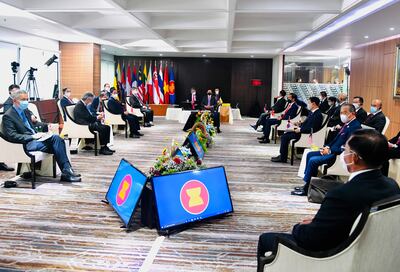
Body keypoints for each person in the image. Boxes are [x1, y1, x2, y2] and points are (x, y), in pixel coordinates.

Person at [258, 129, 400, 270]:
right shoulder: (392, 186)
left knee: (266, 239)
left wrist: (299, 227)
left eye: (345, 150)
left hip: (337, 257)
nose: (343, 153)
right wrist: (320, 222)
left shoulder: (341, 194)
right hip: (373, 252)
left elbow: (313, 239)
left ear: (354, 158)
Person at [1, 90, 81, 182]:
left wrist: (44, 127)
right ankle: (67, 171)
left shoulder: (25, 111)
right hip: (25, 144)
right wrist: (32, 137)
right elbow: (12, 136)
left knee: (57, 141)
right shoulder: (8, 116)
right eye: (23, 99)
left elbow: (33, 125)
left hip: (35, 139)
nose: (26, 101)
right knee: (57, 142)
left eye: (27, 99)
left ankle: (67, 171)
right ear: (15, 101)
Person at [292, 103, 362, 196]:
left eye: (345, 112)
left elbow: (348, 147)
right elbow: (336, 140)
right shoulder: (347, 124)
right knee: (310, 154)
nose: (342, 115)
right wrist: (328, 146)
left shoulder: (355, 126)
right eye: (341, 112)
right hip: (332, 150)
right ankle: (307, 183)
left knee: (313, 161)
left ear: (352, 113)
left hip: (337, 155)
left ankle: (306, 189)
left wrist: (330, 151)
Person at [271, 97, 323, 163]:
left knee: (284, 137)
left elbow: (313, 128)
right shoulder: (312, 112)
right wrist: (300, 124)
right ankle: (282, 155)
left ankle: (283, 158)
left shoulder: (318, 114)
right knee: (285, 133)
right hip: (302, 131)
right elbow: (308, 124)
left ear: (313, 103)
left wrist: (300, 130)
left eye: (309, 103)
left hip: (305, 135)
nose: (308, 104)